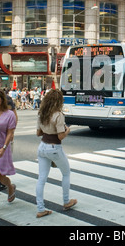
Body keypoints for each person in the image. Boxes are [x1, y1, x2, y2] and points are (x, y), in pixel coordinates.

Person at [36, 89, 77, 218]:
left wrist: (47, 130)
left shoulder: (42, 113)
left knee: (41, 178)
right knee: (66, 173)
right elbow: (60, 136)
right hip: (54, 148)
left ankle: (40, 208)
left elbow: (38, 133)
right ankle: (66, 201)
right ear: (59, 101)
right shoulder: (58, 115)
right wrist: (68, 131)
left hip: (42, 147)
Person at [0, 90, 17, 201]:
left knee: (0, 175)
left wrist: (4, 147)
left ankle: (10, 187)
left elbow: (10, 132)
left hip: (2, 147)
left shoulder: (9, 114)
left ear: (2, 100)